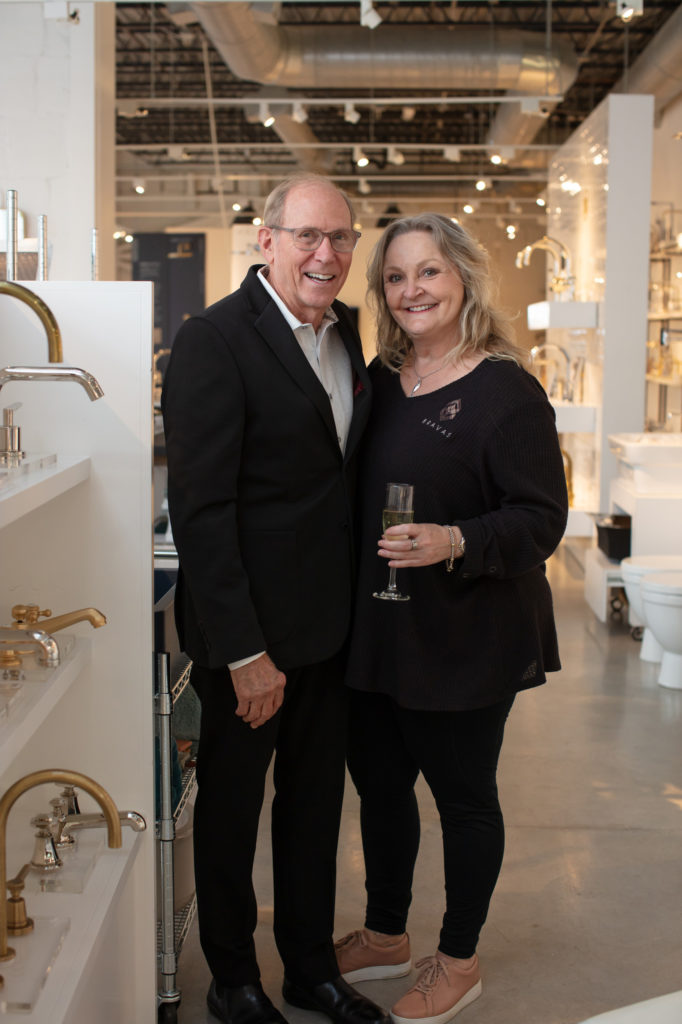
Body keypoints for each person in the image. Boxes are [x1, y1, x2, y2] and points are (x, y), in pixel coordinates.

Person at [162, 173, 389, 1024]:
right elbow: (203, 510)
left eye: (340, 238)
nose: (325, 255)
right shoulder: (215, 340)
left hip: (327, 628)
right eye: (307, 237)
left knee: (315, 806)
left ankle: (307, 968)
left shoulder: (347, 336)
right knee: (230, 809)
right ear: (267, 239)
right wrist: (245, 651)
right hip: (247, 638)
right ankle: (233, 977)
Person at [334, 214, 568, 1024]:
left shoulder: (506, 389)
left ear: (462, 276)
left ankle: (459, 958)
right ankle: (386, 932)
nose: (411, 291)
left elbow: (542, 518)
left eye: (428, 273)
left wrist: (456, 539)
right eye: (395, 278)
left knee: (464, 800)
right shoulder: (380, 377)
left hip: (468, 629)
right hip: (381, 627)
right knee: (382, 791)